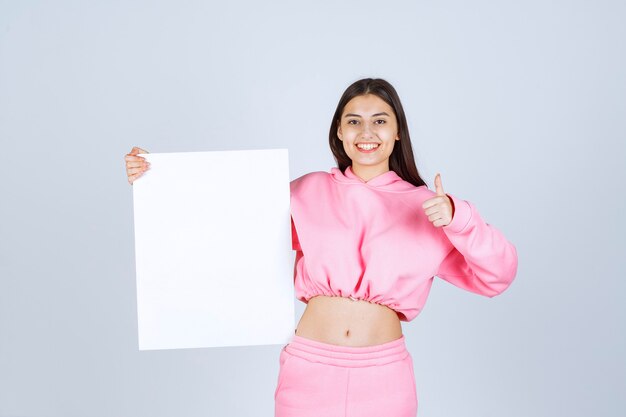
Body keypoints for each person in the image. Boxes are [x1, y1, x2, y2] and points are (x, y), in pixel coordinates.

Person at [124, 78, 518, 417]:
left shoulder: (427, 207)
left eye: (380, 121)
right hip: (308, 370)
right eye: (354, 122)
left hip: (384, 377)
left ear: (398, 132)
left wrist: (459, 218)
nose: (367, 132)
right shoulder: (306, 191)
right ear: (340, 133)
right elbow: (226, 226)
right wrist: (157, 182)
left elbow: (497, 276)